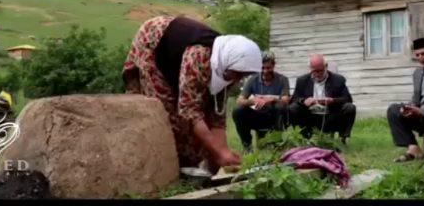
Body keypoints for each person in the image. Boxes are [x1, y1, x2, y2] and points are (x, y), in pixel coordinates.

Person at [122, 15, 262, 173]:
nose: (237, 80)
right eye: (237, 74)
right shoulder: (198, 57)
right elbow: (189, 110)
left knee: (200, 122)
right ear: (228, 63)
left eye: (242, 76)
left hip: (181, 56)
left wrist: (222, 154)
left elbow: (217, 115)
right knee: (169, 116)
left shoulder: (225, 68)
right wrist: (219, 152)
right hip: (154, 42)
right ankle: (171, 170)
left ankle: (198, 169)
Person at [288, 54, 356, 143]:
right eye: (314, 71)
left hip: (330, 115)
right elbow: (294, 99)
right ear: (310, 69)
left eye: (320, 71)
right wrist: (304, 101)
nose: (318, 74)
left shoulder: (338, 79)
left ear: (326, 67)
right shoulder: (302, 80)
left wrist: (332, 100)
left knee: (350, 107)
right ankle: (303, 137)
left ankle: (343, 139)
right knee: (293, 108)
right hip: (310, 116)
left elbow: (348, 99)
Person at [232, 51, 290, 152]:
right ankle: (247, 146)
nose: (265, 71)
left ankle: (278, 145)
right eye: (262, 68)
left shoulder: (282, 79)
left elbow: (286, 99)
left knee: (280, 107)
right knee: (238, 111)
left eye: (268, 68)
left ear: (273, 65)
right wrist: (254, 100)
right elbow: (240, 100)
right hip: (257, 115)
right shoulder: (252, 79)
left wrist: (272, 99)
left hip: (274, 116)